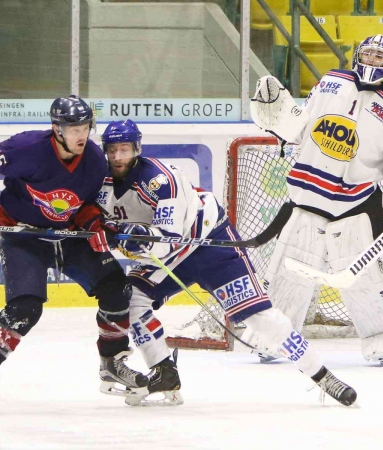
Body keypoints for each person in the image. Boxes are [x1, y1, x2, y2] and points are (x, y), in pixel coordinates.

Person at [88, 118, 358, 407]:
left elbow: (169, 240)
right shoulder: (99, 181)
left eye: (125, 149)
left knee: (260, 318)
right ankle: (164, 371)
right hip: (169, 256)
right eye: (113, 149)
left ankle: (321, 374)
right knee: (131, 302)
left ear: (137, 148)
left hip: (207, 244)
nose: (118, 156)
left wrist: (138, 238)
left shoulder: (160, 180)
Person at [250, 35, 383, 365]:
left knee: (363, 277)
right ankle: (273, 337)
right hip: (308, 196)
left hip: (356, 204)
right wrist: (278, 116)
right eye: (367, 53)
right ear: (356, 56)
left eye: (380, 56)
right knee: (289, 270)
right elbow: (301, 126)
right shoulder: (331, 81)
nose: (372, 60)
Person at [0, 96, 148, 394]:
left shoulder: (93, 160)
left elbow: (85, 204)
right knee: (25, 310)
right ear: (56, 129)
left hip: (68, 236)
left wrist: (95, 224)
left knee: (117, 289)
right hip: (23, 236)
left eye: (85, 127)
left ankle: (112, 365)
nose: (81, 135)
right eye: (74, 128)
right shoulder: (25, 148)